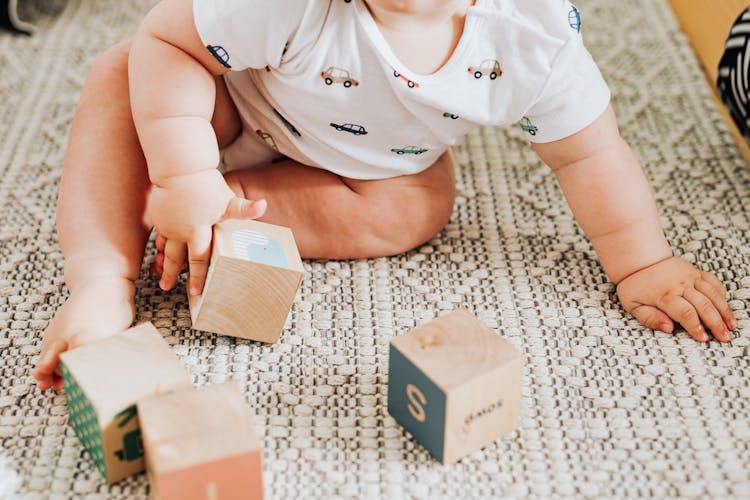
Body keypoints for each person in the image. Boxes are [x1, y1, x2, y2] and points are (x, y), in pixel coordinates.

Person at [33, 0, 736, 390]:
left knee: (417, 208)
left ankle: (226, 210)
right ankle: (101, 276)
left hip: (367, 160)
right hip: (221, 99)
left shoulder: (531, 38)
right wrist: (185, 173)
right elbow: (169, 40)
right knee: (119, 71)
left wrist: (642, 262)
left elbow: (589, 153)